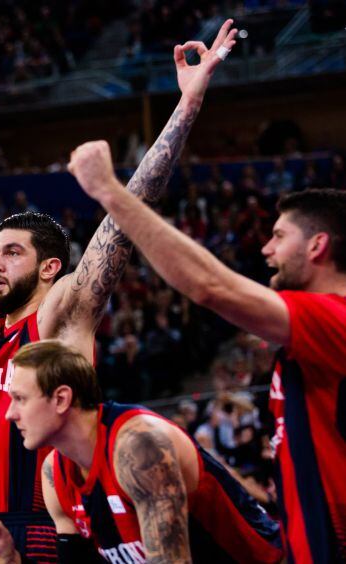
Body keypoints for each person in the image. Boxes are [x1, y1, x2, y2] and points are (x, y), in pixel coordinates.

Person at [0, 19, 238, 564]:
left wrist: (186, 107)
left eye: (11, 252)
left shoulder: (62, 314)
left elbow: (126, 218)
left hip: (36, 522)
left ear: (50, 268)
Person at [67, 133, 346, 561]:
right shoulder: (307, 340)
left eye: (278, 236)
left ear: (317, 245)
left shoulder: (335, 317)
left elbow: (209, 286)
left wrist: (109, 191)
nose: (266, 248)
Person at [0, 340, 284, 563]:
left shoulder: (140, 446)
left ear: (61, 399)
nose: (9, 414)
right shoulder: (54, 474)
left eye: (20, 399)